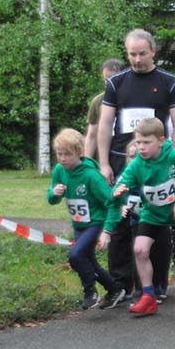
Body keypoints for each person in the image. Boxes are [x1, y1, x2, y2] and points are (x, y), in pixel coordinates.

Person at [98, 29, 175, 299]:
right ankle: (120, 285)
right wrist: (103, 162)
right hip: (121, 158)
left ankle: (155, 285)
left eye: (141, 53)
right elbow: (104, 123)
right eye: (131, 54)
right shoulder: (116, 82)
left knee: (154, 220)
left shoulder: (169, 82)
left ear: (153, 51)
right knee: (120, 218)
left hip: (157, 161)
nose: (136, 59)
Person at [109, 118, 175, 317]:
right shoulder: (137, 163)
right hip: (152, 214)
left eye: (146, 142)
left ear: (160, 140)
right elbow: (122, 182)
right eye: (138, 142)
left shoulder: (174, 157)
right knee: (140, 249)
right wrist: (118, 190)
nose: (141, 147)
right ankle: (148, 296)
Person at [48, 129, 124, 310]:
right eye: (60, 154)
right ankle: (114, 289)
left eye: (68, 154)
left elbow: (111, 202)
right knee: (88, 261)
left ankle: (90, 290)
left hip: (95, 222)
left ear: (79, 152)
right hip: (79, 223)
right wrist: (54, 193)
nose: (63, 158)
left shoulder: (90, 176)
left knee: (75, 255)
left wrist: (107, 230)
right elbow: (51, 198)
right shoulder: (60, 170)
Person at [85, 59, 125, 159]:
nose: (109, 82)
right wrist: (87, 163)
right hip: (104, 156)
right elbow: (91, 136)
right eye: (106, 79)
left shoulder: (133, 99)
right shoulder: (98, 101)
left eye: (112, 78)